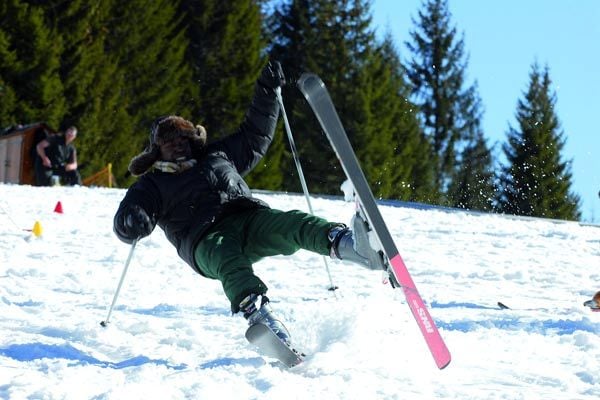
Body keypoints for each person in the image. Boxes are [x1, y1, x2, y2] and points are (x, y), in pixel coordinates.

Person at [113, 61, 385, 346]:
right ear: (157, 150)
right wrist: (132, 219)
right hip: (204, 240)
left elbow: (255, 136)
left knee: (292, 223)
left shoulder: (217, 155)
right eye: (169, 141)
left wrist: (266, 90)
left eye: (183, 137)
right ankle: (260, 316)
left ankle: (353, 247)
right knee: (228, 258)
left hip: (247, 218)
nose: (178, 145)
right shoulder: (153, 182)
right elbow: (127, 216)